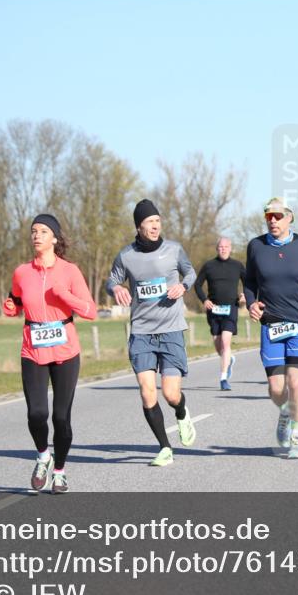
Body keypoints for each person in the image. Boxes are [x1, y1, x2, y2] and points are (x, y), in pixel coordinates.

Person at [3, 214, 97, 494]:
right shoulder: (22, 272)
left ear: (55, 238)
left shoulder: (70, 271)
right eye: (34, 231)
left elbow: (90, 311)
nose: (37, 235)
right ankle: (44, 456)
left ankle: (59, 471)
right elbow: (16, 300)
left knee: (60, 418)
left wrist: (63, 296)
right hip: (33, 349)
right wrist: (11, 306)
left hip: (66, 350)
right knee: (36, 413)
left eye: (43, 231)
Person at [106, 200, 198, 467]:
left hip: (170, 330)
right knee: (147, 392)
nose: (155, 225)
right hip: (142, 332)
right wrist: (116, 289)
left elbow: (190, 272)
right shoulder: (126, 256)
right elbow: (111, 280)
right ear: (139, 226)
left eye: (158, 220)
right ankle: (165, 448)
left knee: (170, 394)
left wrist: (183, 287)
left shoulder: (173, 250)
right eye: (149, 221)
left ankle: (181, 412)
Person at [244, 197, 298, 459]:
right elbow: (249, 281)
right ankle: (285, 412)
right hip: (270, 323)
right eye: (268, 216)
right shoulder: (256, 247)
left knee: (296, 381)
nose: (272, 220)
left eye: (277, 216)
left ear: (289, 218)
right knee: (275, 388)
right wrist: (251, 303)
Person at [194, 237, 246, 391]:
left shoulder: (237, 265)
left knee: (225, 341)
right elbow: (197, 285)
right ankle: (229, 359)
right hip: (214, 310)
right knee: (217, 343)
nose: (223, 249)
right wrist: (204, 300)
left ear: (230, 248)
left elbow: (249, 282)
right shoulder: (209, 266)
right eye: (221, 247)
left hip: (231, 308)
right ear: (217, 249)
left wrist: (245, 296)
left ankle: (223, 378)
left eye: (226, 247)